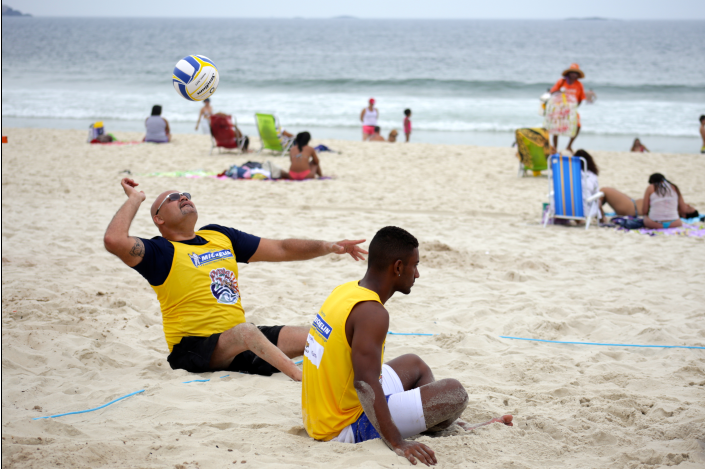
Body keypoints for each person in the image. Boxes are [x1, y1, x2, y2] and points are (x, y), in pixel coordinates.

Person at [103, 179, 367, 380]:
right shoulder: (159, 252)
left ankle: (366, 378)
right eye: (173, 198)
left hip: (242, 346)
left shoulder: (219, 236)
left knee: (319, 334)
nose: (183, 197)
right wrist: (135, 199)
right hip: (193, 350)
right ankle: (304, 379)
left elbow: (282, 248)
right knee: (246, 331)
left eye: (186, 194)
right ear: (158, 218)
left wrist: (328, 246)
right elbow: (114, 240)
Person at [301, 226, 513, 466]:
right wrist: (398, 443)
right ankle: (442, 424)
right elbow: (364, 384)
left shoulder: (347, 290)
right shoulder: (372, 312)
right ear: (399, 267)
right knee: (454, 393)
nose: (417, 274)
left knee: (415, 364)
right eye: (415, 265)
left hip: (320, 414)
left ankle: (443, 424)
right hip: (341, 426)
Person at [599, 187, 698, 223]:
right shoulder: (671, 206)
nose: (687, 204)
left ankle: (600, 214)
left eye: (688, 207)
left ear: (684, 215)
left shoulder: (670, 210)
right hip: (632, 203)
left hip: (632, 208)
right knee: (607, 191)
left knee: (605, 190)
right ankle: (596, 211)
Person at [550, 63, 586, 153]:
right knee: (556, 128)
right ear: (569, 73)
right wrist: (560, 91)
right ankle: (555, 147)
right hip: (560, 108)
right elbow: (552, 92)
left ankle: (569, 146)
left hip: (572, 109)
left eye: (575, 73)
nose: (573, 74)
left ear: (578, 75)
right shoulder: (561, 82)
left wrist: (574, 107)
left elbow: (581, 98)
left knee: (577, 126)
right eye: (572, 72)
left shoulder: (579, 85)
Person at [573, 150, 601, 218]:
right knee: (597, 198)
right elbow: (596, 193)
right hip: (584, 210)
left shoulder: (567, 174)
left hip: (564, 208)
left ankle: (578, 221)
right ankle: (602, 219)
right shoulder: (590, 176)